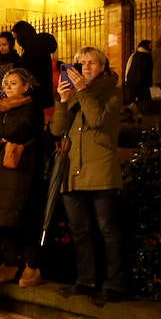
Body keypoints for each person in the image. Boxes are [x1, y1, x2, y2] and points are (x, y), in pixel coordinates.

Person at [52, 47, 125, 306]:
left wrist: (82, 91)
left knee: (108, 230)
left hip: (101, 170)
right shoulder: (74, 95)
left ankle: (113, 284)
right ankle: (85, 280)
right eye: (81, 63)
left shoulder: (112, 92)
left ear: (103, 66)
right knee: (79, 231)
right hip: (73, 171)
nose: (85, 68)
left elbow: (97, 120)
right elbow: (57, 129)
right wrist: (62, 101)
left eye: (91, 63)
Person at [0, 68, 44, 286]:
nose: (7, 86)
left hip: (18, 171)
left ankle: (30, 266)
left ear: (26, 86)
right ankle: (8, 262)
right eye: (6, 82)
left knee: (19, 218)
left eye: (13, 83)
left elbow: (19, 129)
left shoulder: (31, 108)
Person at [124, 39, 154, 104]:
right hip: (142, 83)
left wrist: (127, 79)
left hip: (131, 81)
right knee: (144, 101)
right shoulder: (147, 56)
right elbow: (148, 71)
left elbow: (128, 67)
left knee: (132, 102)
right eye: (150, 46)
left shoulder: (134, 55)